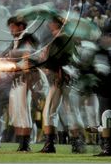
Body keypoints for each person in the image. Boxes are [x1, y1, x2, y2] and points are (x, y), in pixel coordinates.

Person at [37, 16, 79, 153]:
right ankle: (76, 144)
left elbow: (58, 59)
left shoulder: (60, 38)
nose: (49, 24)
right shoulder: (68, 38)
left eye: (51, 22)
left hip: (60, 77)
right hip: (68, 76)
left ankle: (50, 144)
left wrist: (49, 65)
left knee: (50, 111)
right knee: (70, 111)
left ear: (56, 24)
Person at [2, 17, 39, 152]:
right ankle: (21, 143)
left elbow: (29, 58)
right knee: (15, 110)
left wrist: (11, 62)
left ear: (21, 26)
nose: (11, 30)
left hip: (25, 77)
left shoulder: (28, 38)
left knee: (23, 110)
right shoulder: (16, 41)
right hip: (17, 77)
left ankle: (25, 144)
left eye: (13, 26)